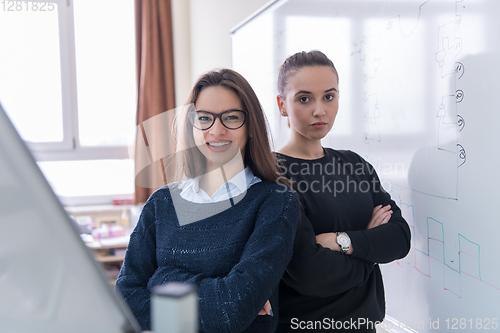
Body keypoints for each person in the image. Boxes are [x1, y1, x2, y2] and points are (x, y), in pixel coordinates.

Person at [116, 68, 300, 332]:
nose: (216, 130)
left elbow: (230, 312)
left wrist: (160, 280)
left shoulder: (276, 202)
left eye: (231, 118)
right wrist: (221, 294)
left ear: (251, 127)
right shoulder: (161, 204)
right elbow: (125, 299)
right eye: (204, 118)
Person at [274, 50, 411, 332]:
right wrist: (370, 249)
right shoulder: (273, 176)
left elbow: (399, 237)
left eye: (329, 96)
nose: (319, 110)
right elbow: (309, 272)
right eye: (304, 99)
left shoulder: (354, 165)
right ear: (282, 105)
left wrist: (342, 242)